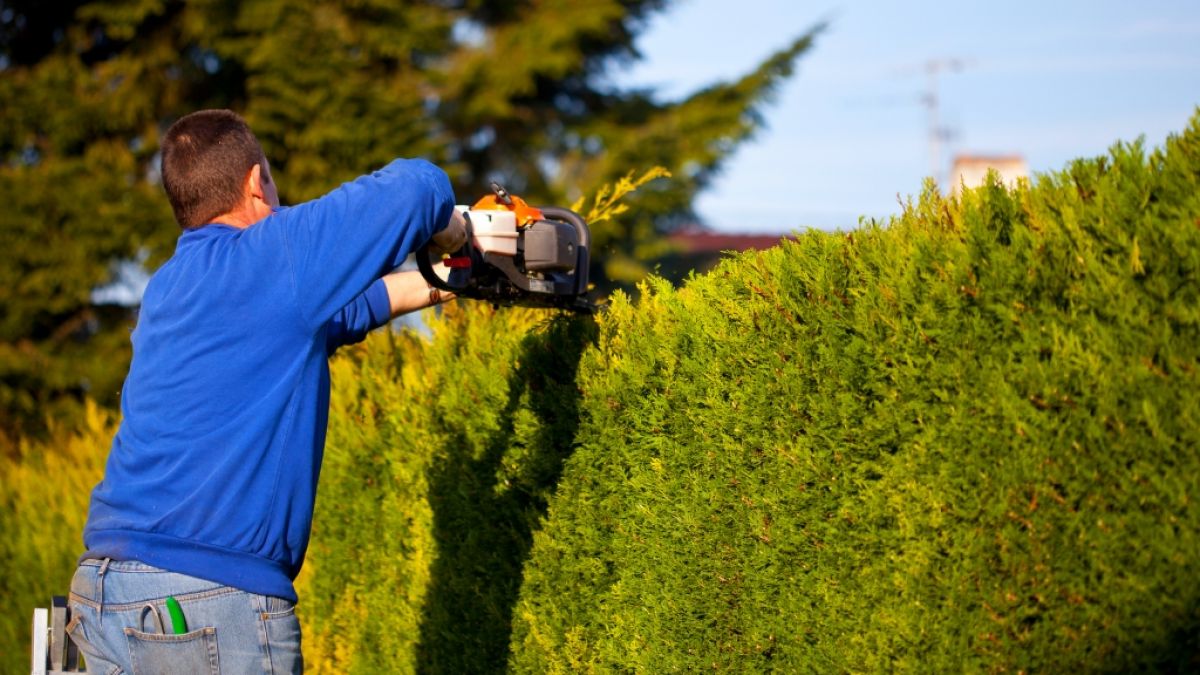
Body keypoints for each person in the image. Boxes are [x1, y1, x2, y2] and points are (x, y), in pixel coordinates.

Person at [64, 109, 467, 674]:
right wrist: (460, 231)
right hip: (203, 601)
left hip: (106, 592)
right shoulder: (272, 254)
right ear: (256, 182)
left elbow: (344, 312)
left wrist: (451, 279)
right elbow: (420, 186)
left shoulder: (172, 287)